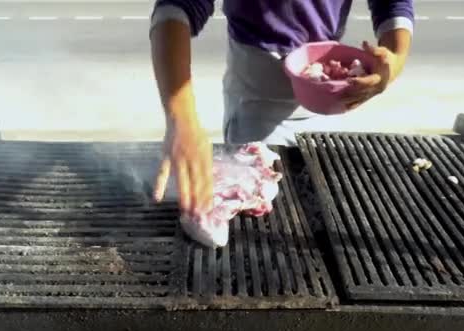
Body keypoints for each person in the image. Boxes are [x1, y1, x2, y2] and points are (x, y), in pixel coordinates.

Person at [149, 0, 414, 215]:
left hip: (332, 101)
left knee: (324, 213)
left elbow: (393, 5)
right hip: (257, 108)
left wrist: (392, 65)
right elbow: (175, 8)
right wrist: (180, 118)